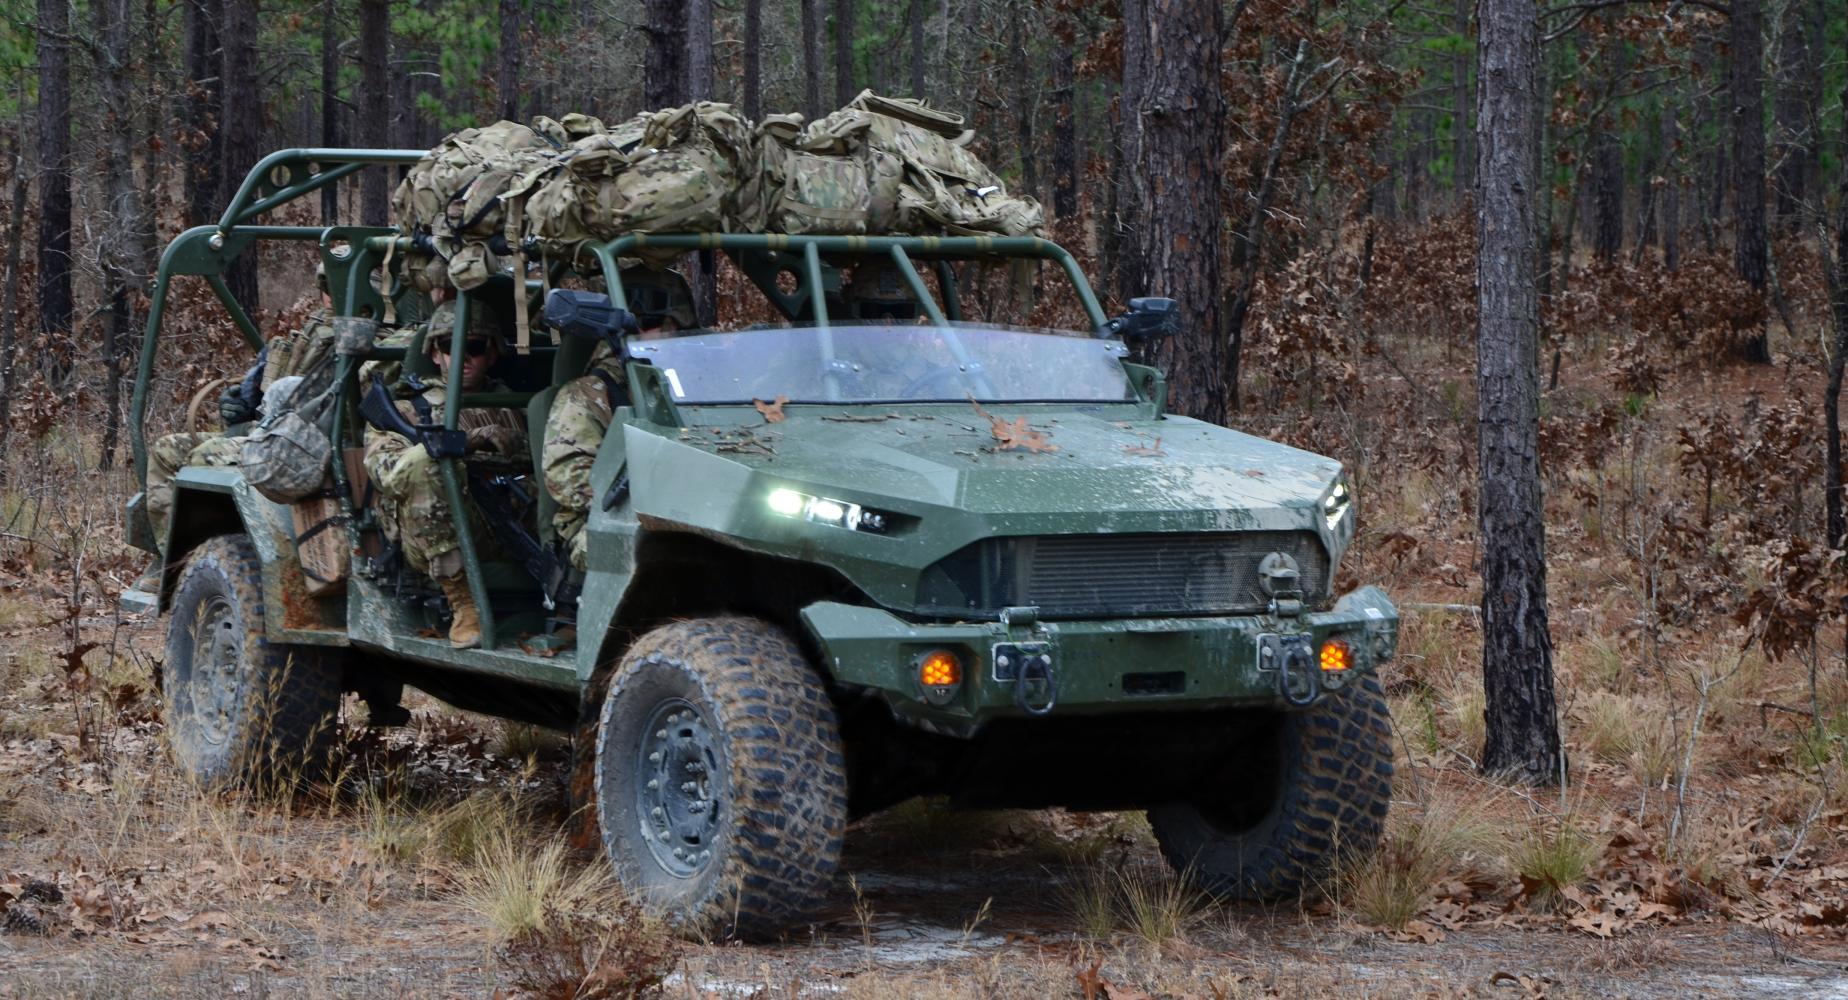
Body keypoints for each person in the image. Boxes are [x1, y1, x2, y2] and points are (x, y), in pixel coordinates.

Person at [364, 290, 526, 648]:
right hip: (432, 534)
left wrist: (513, 443)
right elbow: (387, 472)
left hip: (507, 524)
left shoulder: (518, 406)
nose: (464, 357)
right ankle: (464, 603)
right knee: (424, 464)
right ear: (435, 353)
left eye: (476, 347)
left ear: (494, 351)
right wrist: (462, 443)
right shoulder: (407, 409)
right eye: (451, 347)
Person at [146, 266, 340, 541]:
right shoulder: (312, 331)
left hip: (302, 447)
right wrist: (241, 402)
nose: (329, 296)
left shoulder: (359, 339)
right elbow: (263, 388)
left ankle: (210, 554)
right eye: (326, 287)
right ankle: (173, 557)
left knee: (203, 458)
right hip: (271, 433)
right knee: (167, 449)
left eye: (336, 287)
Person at [542, 267, 696, 572]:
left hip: (696, 513)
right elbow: (567, 476)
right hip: (607, 520)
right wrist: (652, 499)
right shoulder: (588, 395)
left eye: (670, 323)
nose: (662, 332)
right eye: (647, 322)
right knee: (659, 556)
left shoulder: (701, 386)